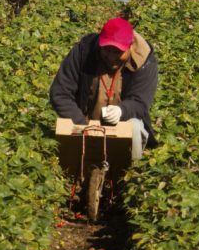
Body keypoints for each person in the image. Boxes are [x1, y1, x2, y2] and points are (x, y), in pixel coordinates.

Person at [49, 17, 157, 159]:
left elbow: (141, 101)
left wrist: (121, 111)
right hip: (85, 120)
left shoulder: (144, 60)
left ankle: (131, 174)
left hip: (123, 123)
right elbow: (60, 93)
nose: (111, 57)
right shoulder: (84, 52)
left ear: (130, 46)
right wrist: (84, 125)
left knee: (135, 127)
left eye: (117, 52)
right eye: (107, 50)